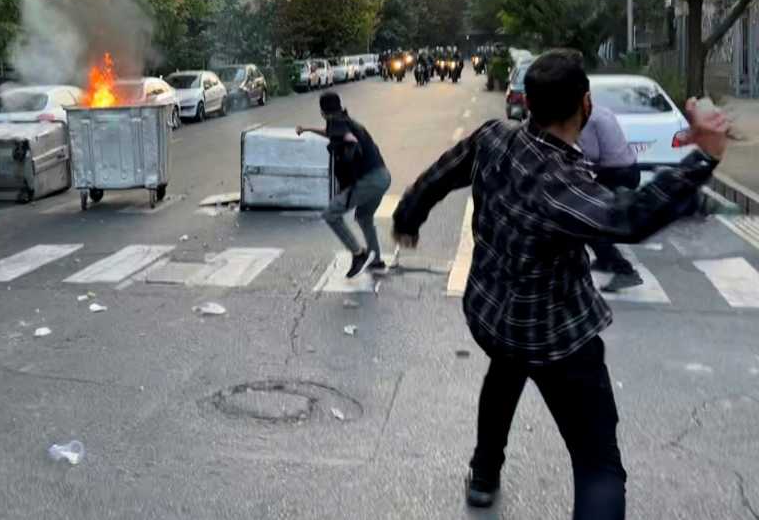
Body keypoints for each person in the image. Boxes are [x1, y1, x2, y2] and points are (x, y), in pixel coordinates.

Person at [392, 49, 729, 518]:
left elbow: (442, 172)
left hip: (493, 317)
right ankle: (486, 473)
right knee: (598, 467)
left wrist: (409, 214)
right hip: (559, 340)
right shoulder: (564, 183)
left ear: (527, 104)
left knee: (504, 374)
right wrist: (703, 158)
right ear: (585, 107)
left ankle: (484, 475)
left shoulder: (494, 138)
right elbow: (628, 217)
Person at [297, 92, 391, 278]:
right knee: (364, 218)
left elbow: (346, 137)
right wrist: (308, 129)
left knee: (331, 214)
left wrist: (351, 143)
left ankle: (359, 254)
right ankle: (376, 261)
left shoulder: (338, 124)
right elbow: (333, 134)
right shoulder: (345, 121)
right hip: (383, 177)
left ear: (323, 113)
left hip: (369, 180)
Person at [578, 103, 643, 292]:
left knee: (590, 222)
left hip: (617, 174)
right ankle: (606, 259)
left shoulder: (587, 118)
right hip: (626, 169)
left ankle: (624, 271)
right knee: (593, 219)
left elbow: (593, 153)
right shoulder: (600, 110)